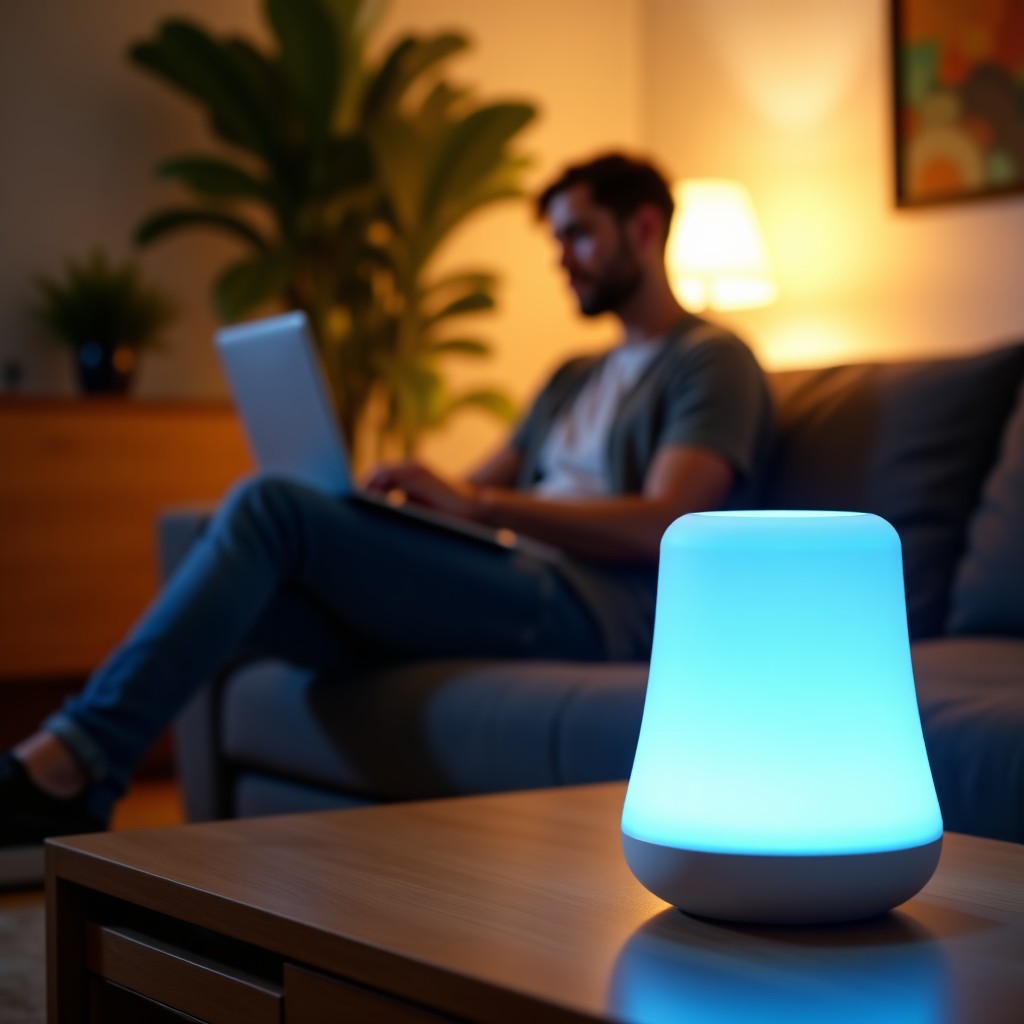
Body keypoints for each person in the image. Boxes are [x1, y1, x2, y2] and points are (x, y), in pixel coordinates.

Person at [0, 152, 774, 874]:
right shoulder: (574, 375)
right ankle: (144, 835)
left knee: (269, 507)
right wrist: (404, 509)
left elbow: (665, 524)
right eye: (557, 239)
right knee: (248, 572)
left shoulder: (710, 360)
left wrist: (478, 504)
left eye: (577, 234)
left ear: (643, 229)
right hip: (507, 582)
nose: (561, 256)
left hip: (587, 604)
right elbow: (474, 490)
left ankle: (73, 763)